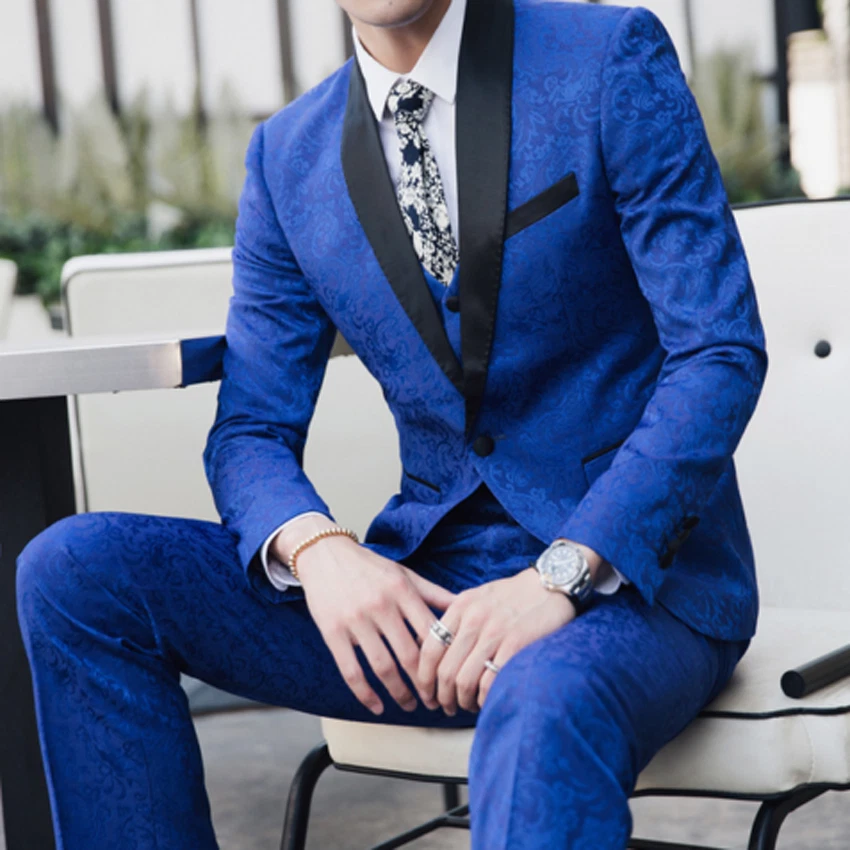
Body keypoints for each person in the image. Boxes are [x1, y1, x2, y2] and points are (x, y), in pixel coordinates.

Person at [16, 0, 768, 847]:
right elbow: (250, 430)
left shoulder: (607, 56)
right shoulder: (287, 156)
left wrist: (561, 576)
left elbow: (719, 352)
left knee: (540, 699)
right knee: (77, 572)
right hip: (429, 593)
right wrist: (320, 551)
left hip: (632, 585)